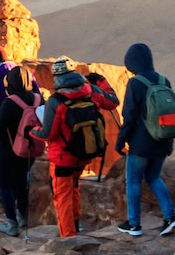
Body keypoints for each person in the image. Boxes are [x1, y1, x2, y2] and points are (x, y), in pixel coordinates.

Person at [38, 66, 117, 238]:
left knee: (63, 197)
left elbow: (48, 134)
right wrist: (102, 82)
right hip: (84, 153)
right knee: (74, 189)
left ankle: (68, 237)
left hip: (63, 157)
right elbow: (113, 101)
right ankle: (75, 227)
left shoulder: (55, 101)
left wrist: (33, 130)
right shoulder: (91, 91)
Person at [115, 43, 175, 236]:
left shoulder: (135, 83)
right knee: (154, 177)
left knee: (134, 181)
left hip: (141, 143)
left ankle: (134, 224)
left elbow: (129, 116)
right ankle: (170, 217)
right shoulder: (164, 80)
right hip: (162, 139)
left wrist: (121, 141)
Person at [0, 63, 40, 235]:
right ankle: (22, 217)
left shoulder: (10, 102)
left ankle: (11, 224)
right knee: (21, 181)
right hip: (30, 148)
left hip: (8, 149)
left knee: (5, 184)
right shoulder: (38, 99)